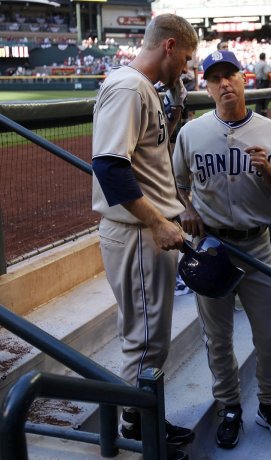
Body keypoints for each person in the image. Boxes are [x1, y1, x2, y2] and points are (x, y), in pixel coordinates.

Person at [172, 49, 271, 450]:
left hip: (257, 245)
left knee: (270, 331)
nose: (224, 83)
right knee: (218, 336)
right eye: (215, 78)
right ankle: (228, 405)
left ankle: (270, 403)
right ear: (206, 87)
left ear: (244, 80)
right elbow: (176, 184)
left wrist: (269, 170)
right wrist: (187, 207)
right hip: (211, 247)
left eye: (230, 75)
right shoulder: (191, 132)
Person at [91, 13, 198, 456]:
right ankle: (136, 425)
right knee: (147, 338)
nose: (189, 68)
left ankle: (139, 418)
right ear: (169, 46)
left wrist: (172, 114)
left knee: (147, 334)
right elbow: (110, 166)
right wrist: (157, 222)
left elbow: (145, 156)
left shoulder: (146, 90)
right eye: (187, 58)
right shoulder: (129, 87)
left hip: (145, 231)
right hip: (138, 233)